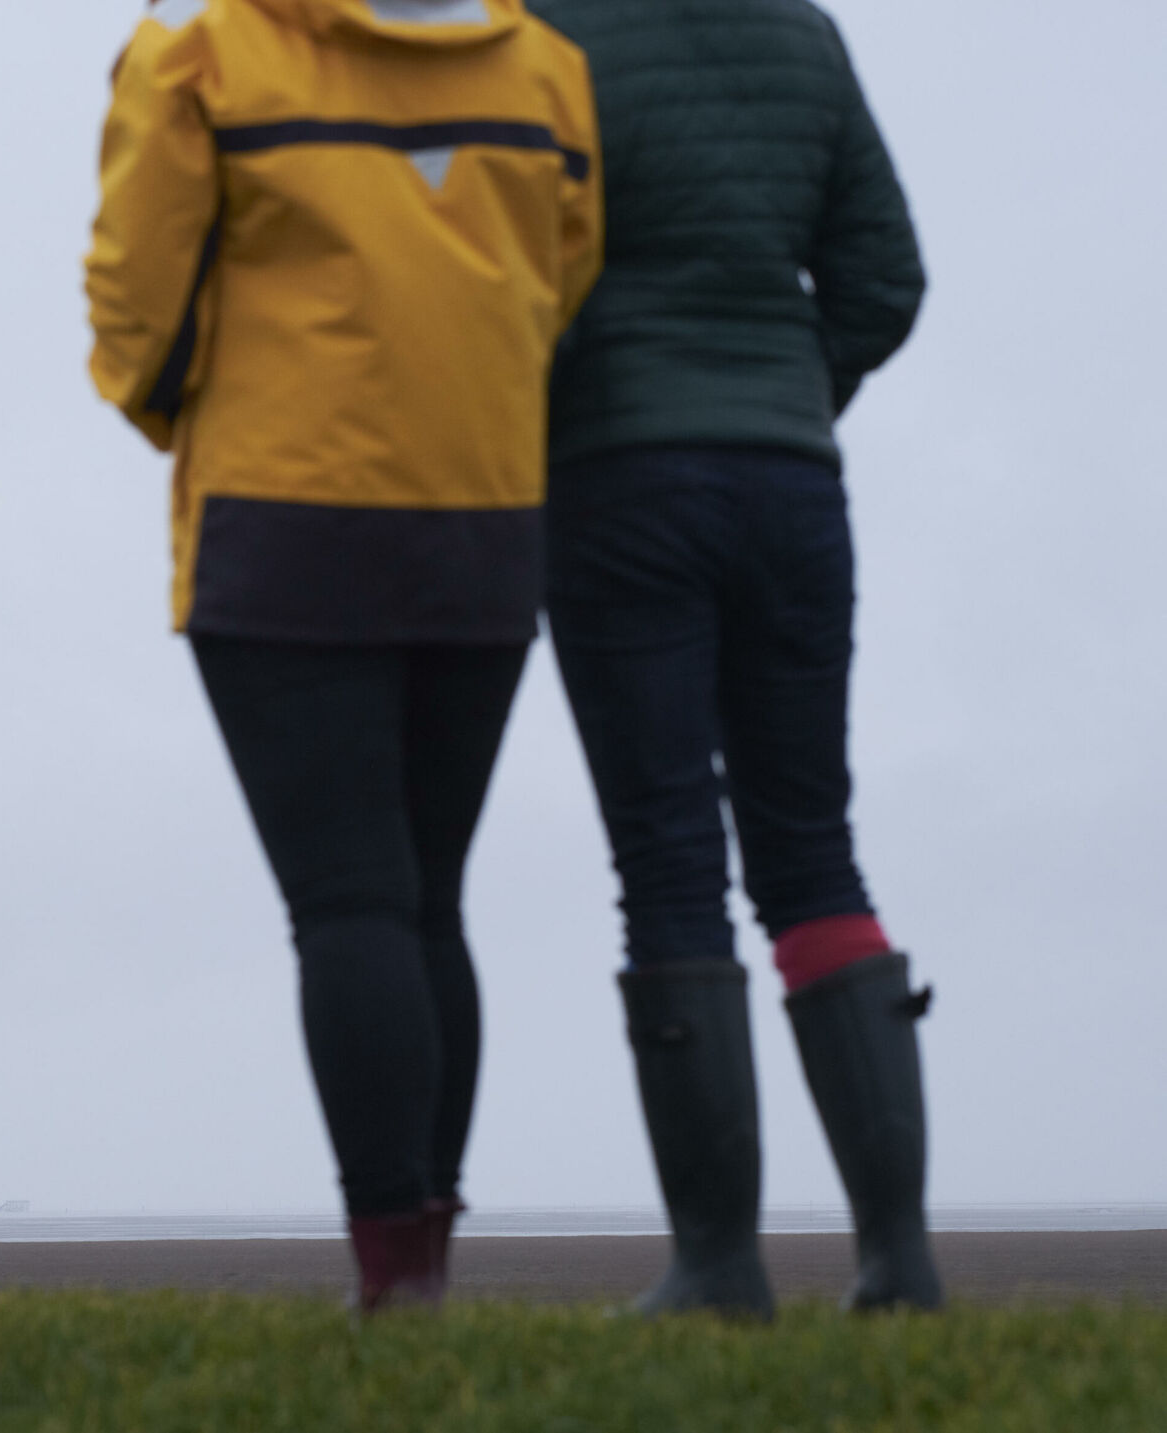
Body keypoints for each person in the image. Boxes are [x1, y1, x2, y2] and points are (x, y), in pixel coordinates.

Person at [85, 0, 600, 1310]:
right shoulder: (542, 67)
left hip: (281, 521)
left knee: (349, 903)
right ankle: (423, 1256)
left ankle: (391, 1280)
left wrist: (166, 408)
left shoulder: (197, 52)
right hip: (482, 520)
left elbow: (136, 291)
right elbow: (565, 271)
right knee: (429, 896)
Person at [529, 0, 939, 1315]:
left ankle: (716, 1262)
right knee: (812, 845)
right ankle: (896, 1254)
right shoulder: (802, 33)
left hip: (620, 481)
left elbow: (522, 281)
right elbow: (884, 275)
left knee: (666, 854)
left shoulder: (542, 36)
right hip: (790, 484)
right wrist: (780, 385)